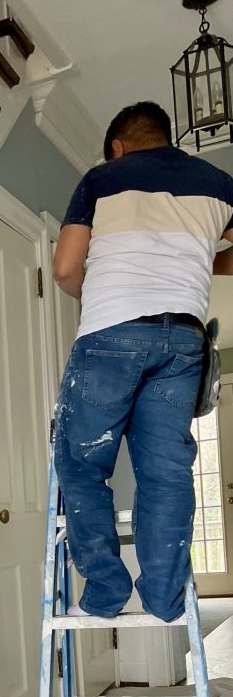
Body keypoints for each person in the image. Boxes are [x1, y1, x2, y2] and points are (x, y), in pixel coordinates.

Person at [52, 100, 233, 621]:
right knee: (166, 473)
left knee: (82, 463)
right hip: (184, 341)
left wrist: (95, 297)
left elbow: (65, 268)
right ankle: (164, 598)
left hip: (111, 331)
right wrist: (205, 256)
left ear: (117, 146)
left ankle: (107, 592)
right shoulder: (219, 183)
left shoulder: (102, 179)